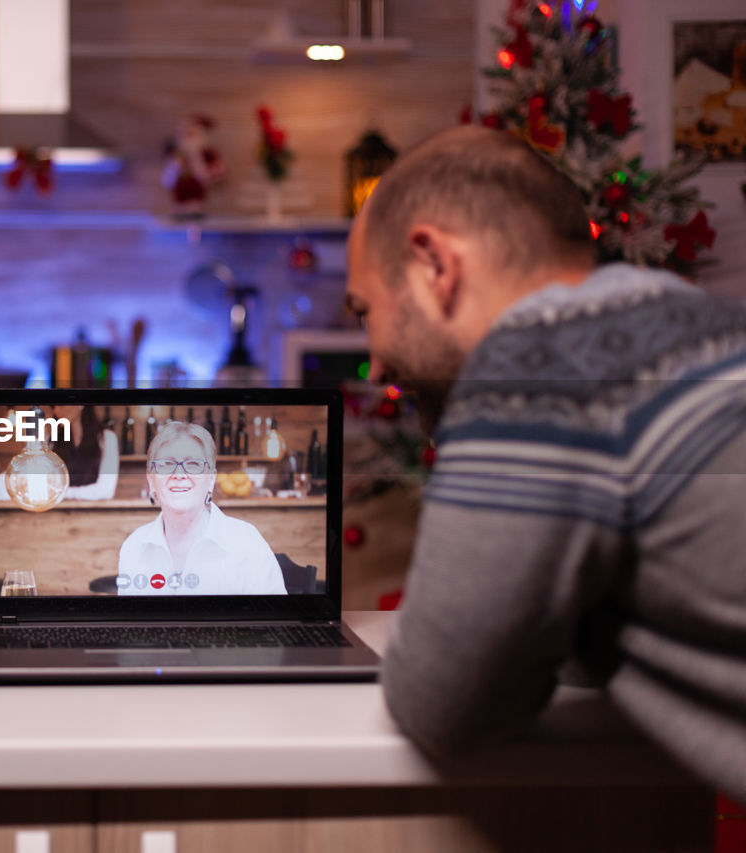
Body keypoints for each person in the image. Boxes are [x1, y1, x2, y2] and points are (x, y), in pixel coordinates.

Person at [344, 124, 746, 802]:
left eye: (366, 310)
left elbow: (447, 703)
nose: (376, 359)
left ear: (434, 265)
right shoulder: (695, 320)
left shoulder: (536, 366)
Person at [117, 421, 284, 595]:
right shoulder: (134, 547)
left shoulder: (247, 543)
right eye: (166, 464)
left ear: (211, 479)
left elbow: (275, 618)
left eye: (193, 464)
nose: (179, 474)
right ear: (151, 480)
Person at [48, 404, 119, 500]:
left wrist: (63, 493)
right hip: (59, 513)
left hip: (95, 513)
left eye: (61, 405)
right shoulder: (52, 442)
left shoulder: (106, 438)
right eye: (53, 407)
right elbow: (46, 489)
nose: (56, 411)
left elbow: (105, 491)